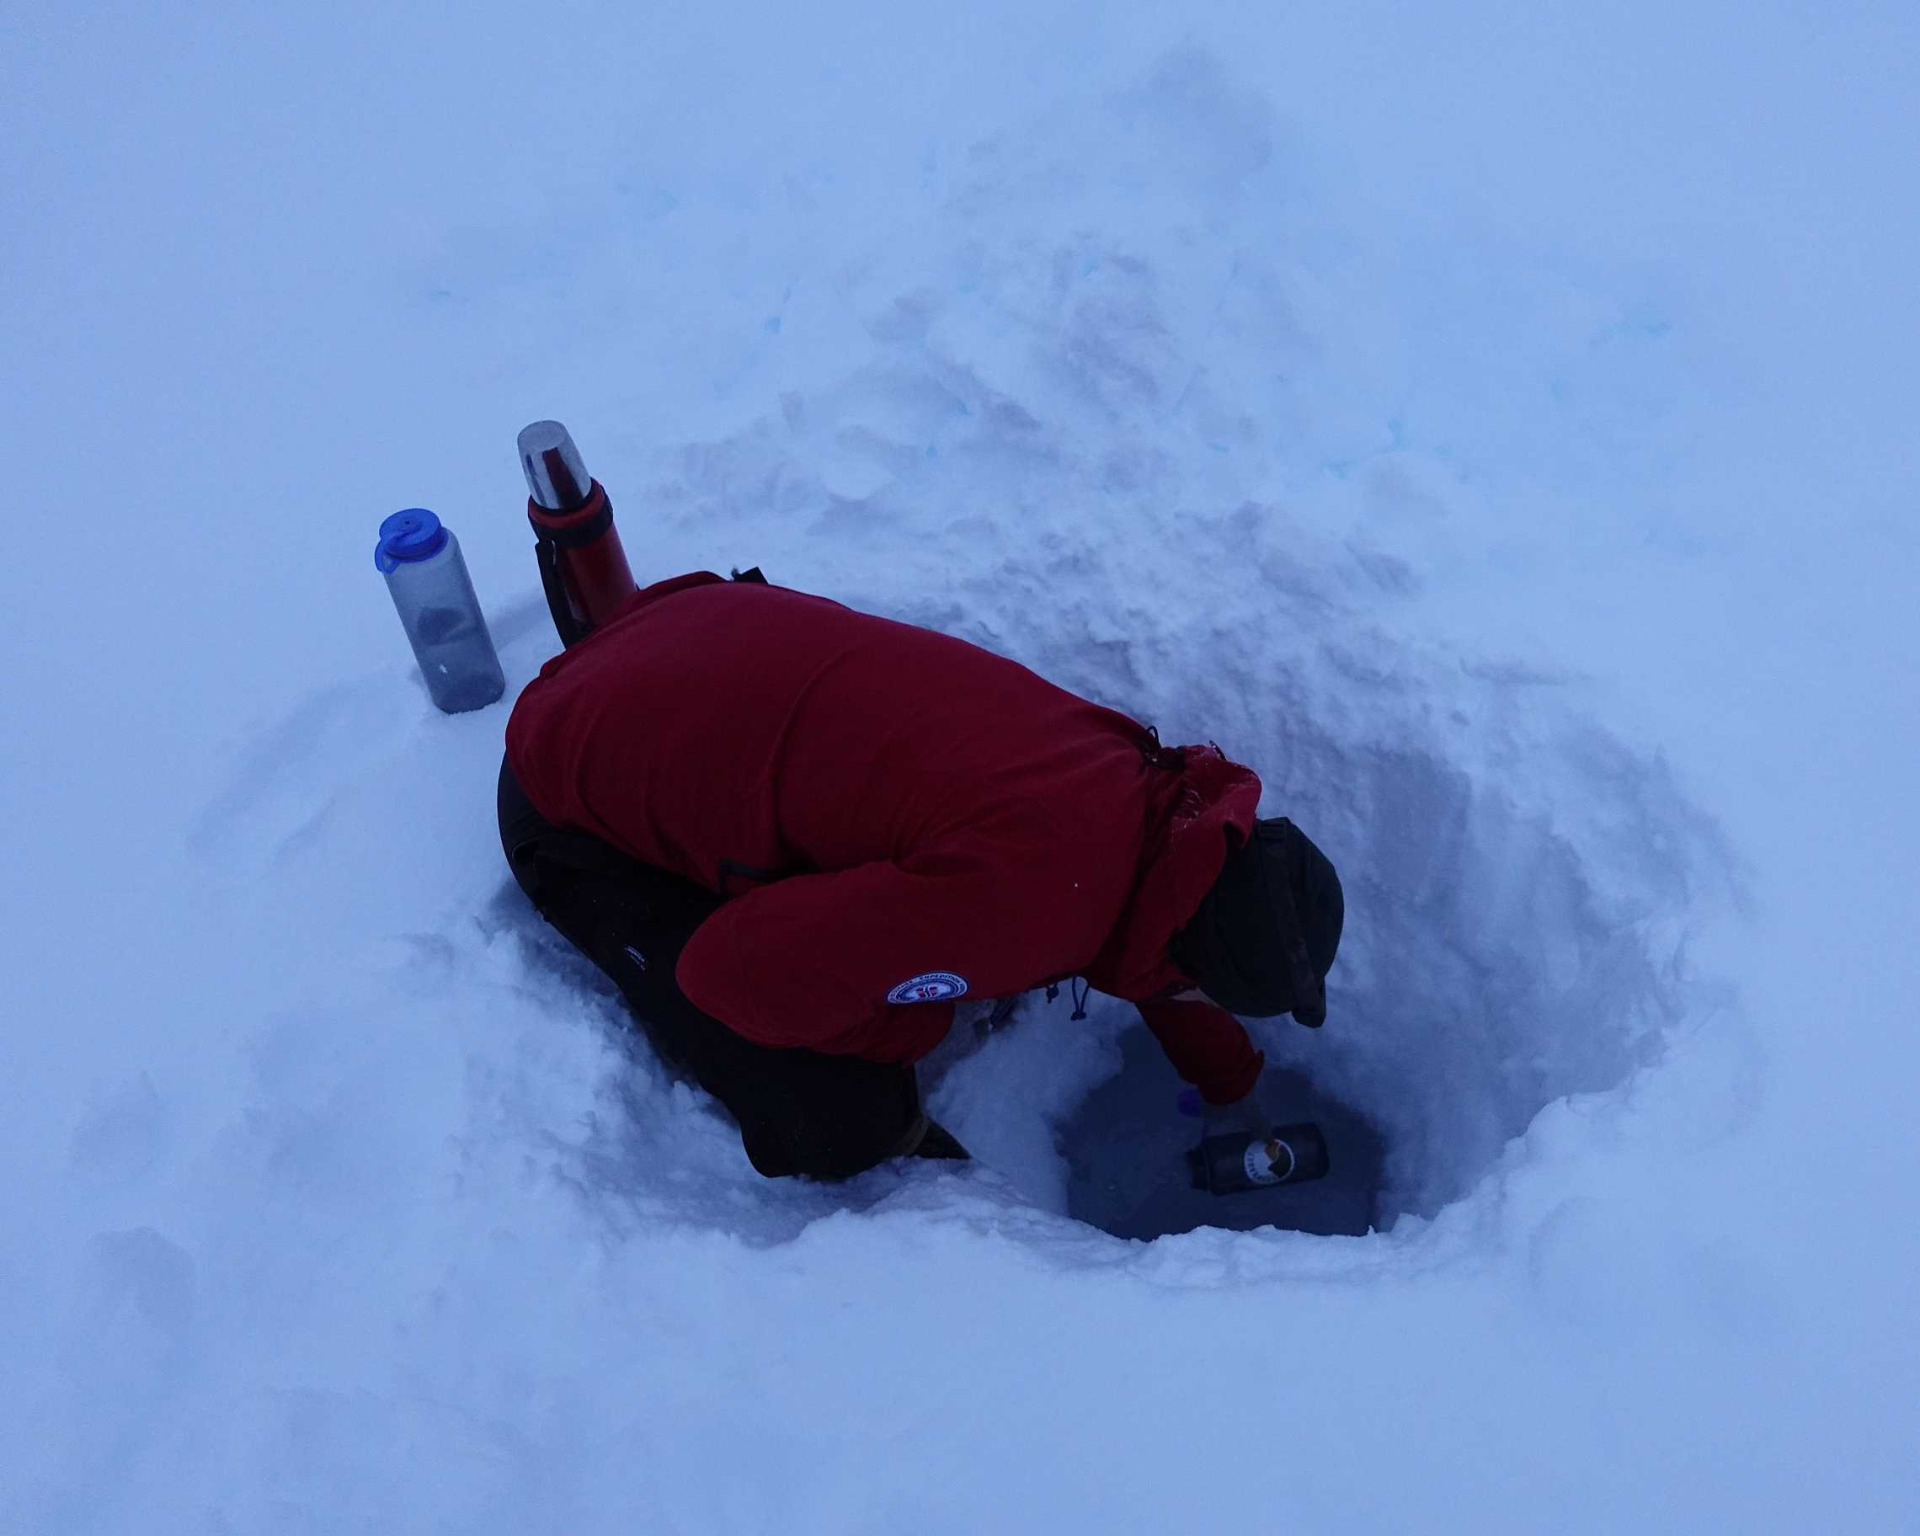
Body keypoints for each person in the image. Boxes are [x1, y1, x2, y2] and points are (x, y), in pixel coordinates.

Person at [497, 568, 1344, 1179]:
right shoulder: (1025, 906)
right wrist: (913, 1025)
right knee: (843, 1125)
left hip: (678, 627)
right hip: (564, 788)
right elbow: (728, 972)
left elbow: (1159, 926)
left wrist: (1230, 1082)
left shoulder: (1144, 786)